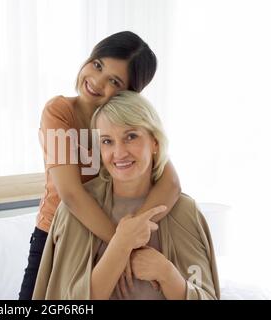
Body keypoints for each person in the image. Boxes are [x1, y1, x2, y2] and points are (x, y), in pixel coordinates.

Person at [19, 31, 181, 300]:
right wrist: (123, 242)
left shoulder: (125, 123)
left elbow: (171, 183)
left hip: (107, 237)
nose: (96, 81)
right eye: (97, 65)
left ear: (127, 93)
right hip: (56, 237)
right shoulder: (59, 112)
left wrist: (131, 234)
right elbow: (71, 194)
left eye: (114, 80)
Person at [33, 91, 220, 300]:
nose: (119, 153)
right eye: (107, 141)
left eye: (131, 136)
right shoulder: (72, 214)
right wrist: (120, 246)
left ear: (155, 142)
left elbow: (206, 296)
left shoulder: (184, 212)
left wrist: (167, 274)